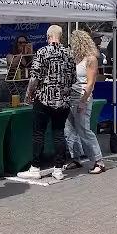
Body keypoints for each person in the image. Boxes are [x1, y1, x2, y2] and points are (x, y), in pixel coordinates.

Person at [19, 25, 76, 181]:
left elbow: (34, 77)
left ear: (48, 36)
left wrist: (29, 93)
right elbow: (73, 79)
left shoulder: (42, 52)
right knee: (59, 133)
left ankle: (35, 167)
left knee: (38, 134)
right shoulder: (69, 53)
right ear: (61, 36)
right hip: (63, 101)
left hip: (44, 99)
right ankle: (58, 169)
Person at [64, 30, 106, 174]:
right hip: (70, 95)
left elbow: (90, 82)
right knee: (68, 130)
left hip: (82, 96)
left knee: (83, 130)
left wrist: (83, 101)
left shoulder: (91, 59)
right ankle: (76, 158)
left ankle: (98, 161)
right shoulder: (74, 58)